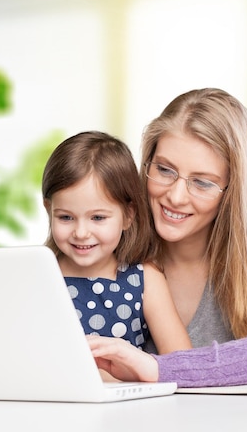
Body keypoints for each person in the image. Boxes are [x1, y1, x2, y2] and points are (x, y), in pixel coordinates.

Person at [87, 88, 247, 387]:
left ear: (234, 191)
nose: (175, 196)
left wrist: (159, 369)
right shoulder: (105, 248)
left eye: (201, 183)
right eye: (164, 169)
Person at [42, 131, 192, 355]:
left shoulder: (144, 279)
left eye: (98, 218)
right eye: (66, 217)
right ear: (49, 210)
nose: (81, 233)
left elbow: (183, 361)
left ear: (128, 216)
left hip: (125, 390)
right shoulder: (41, 274)